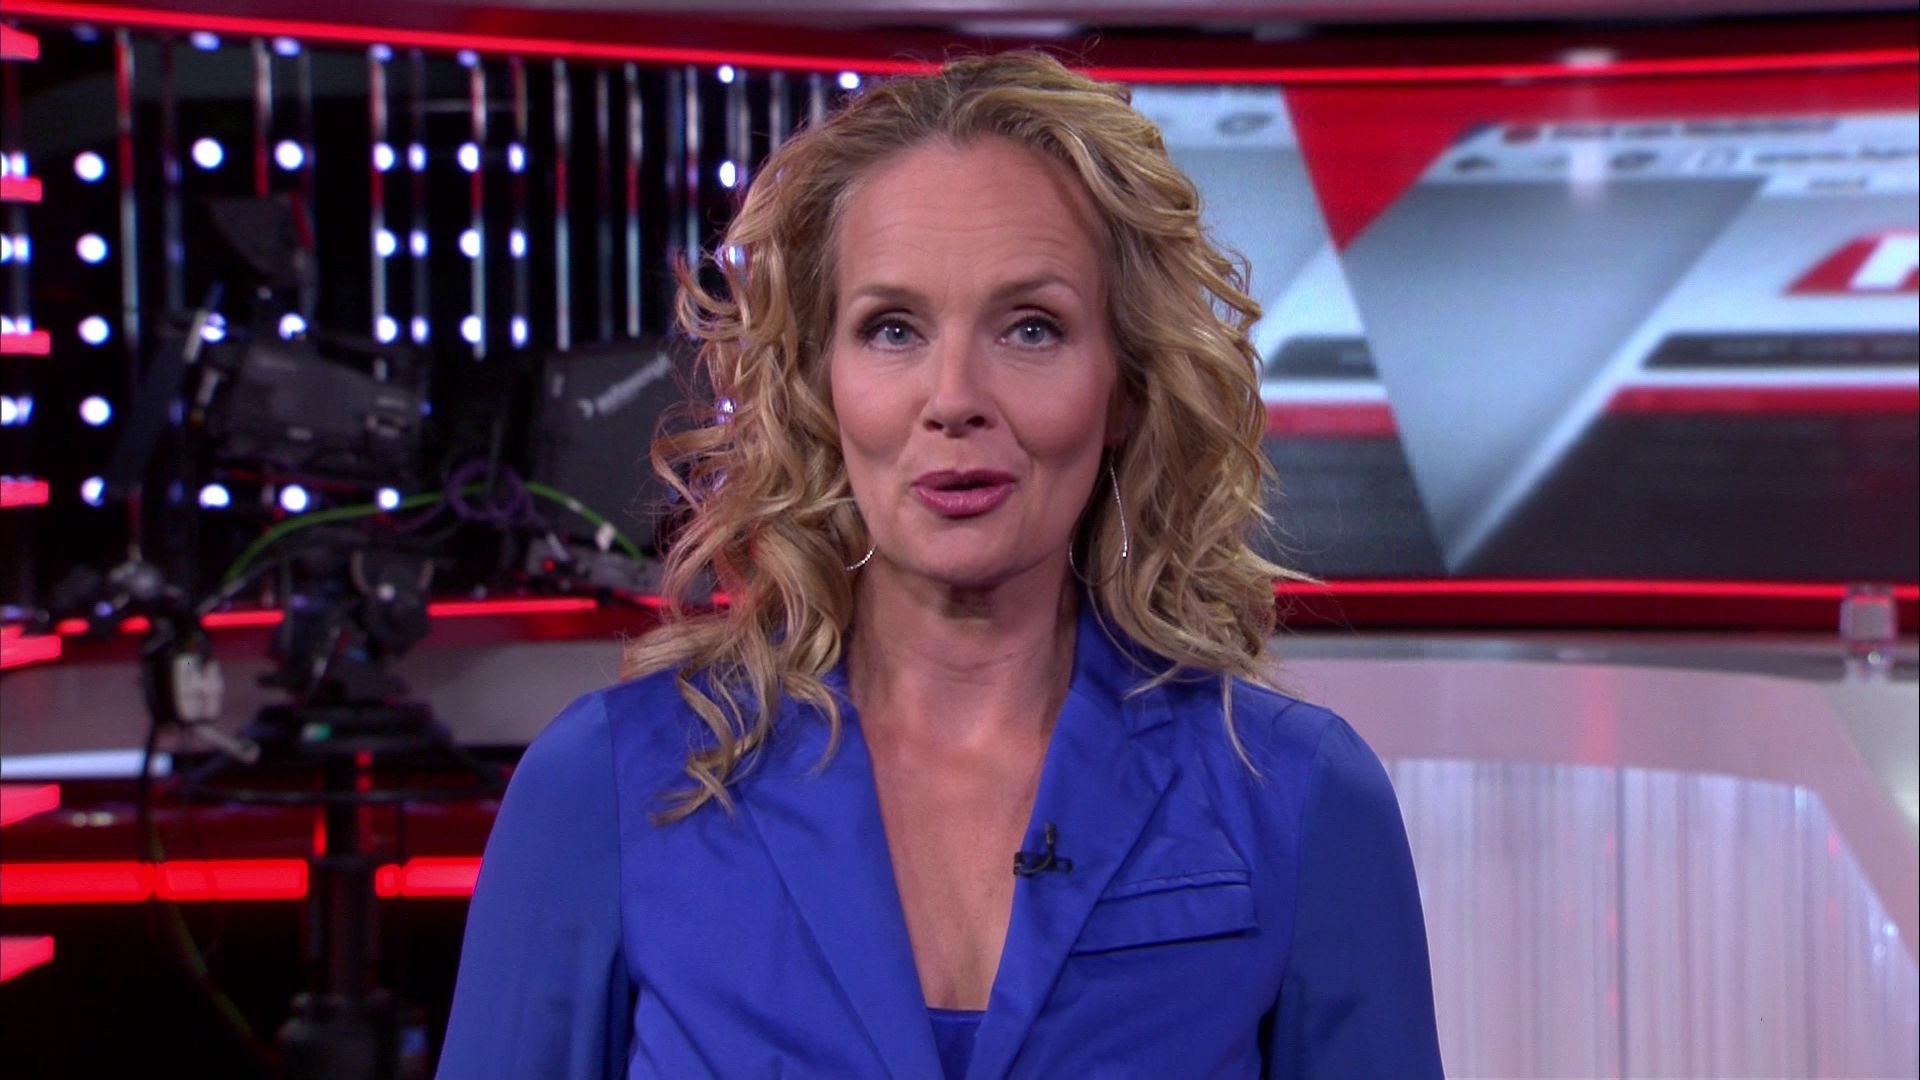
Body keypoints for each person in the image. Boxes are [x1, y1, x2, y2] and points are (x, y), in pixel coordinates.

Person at [437, 50, 1442, 1080]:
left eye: (1032, 328)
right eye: (892, 329)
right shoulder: (606, 789)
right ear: (822, 385)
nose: (954, 397)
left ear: (1128, 386)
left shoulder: (1297, 797)